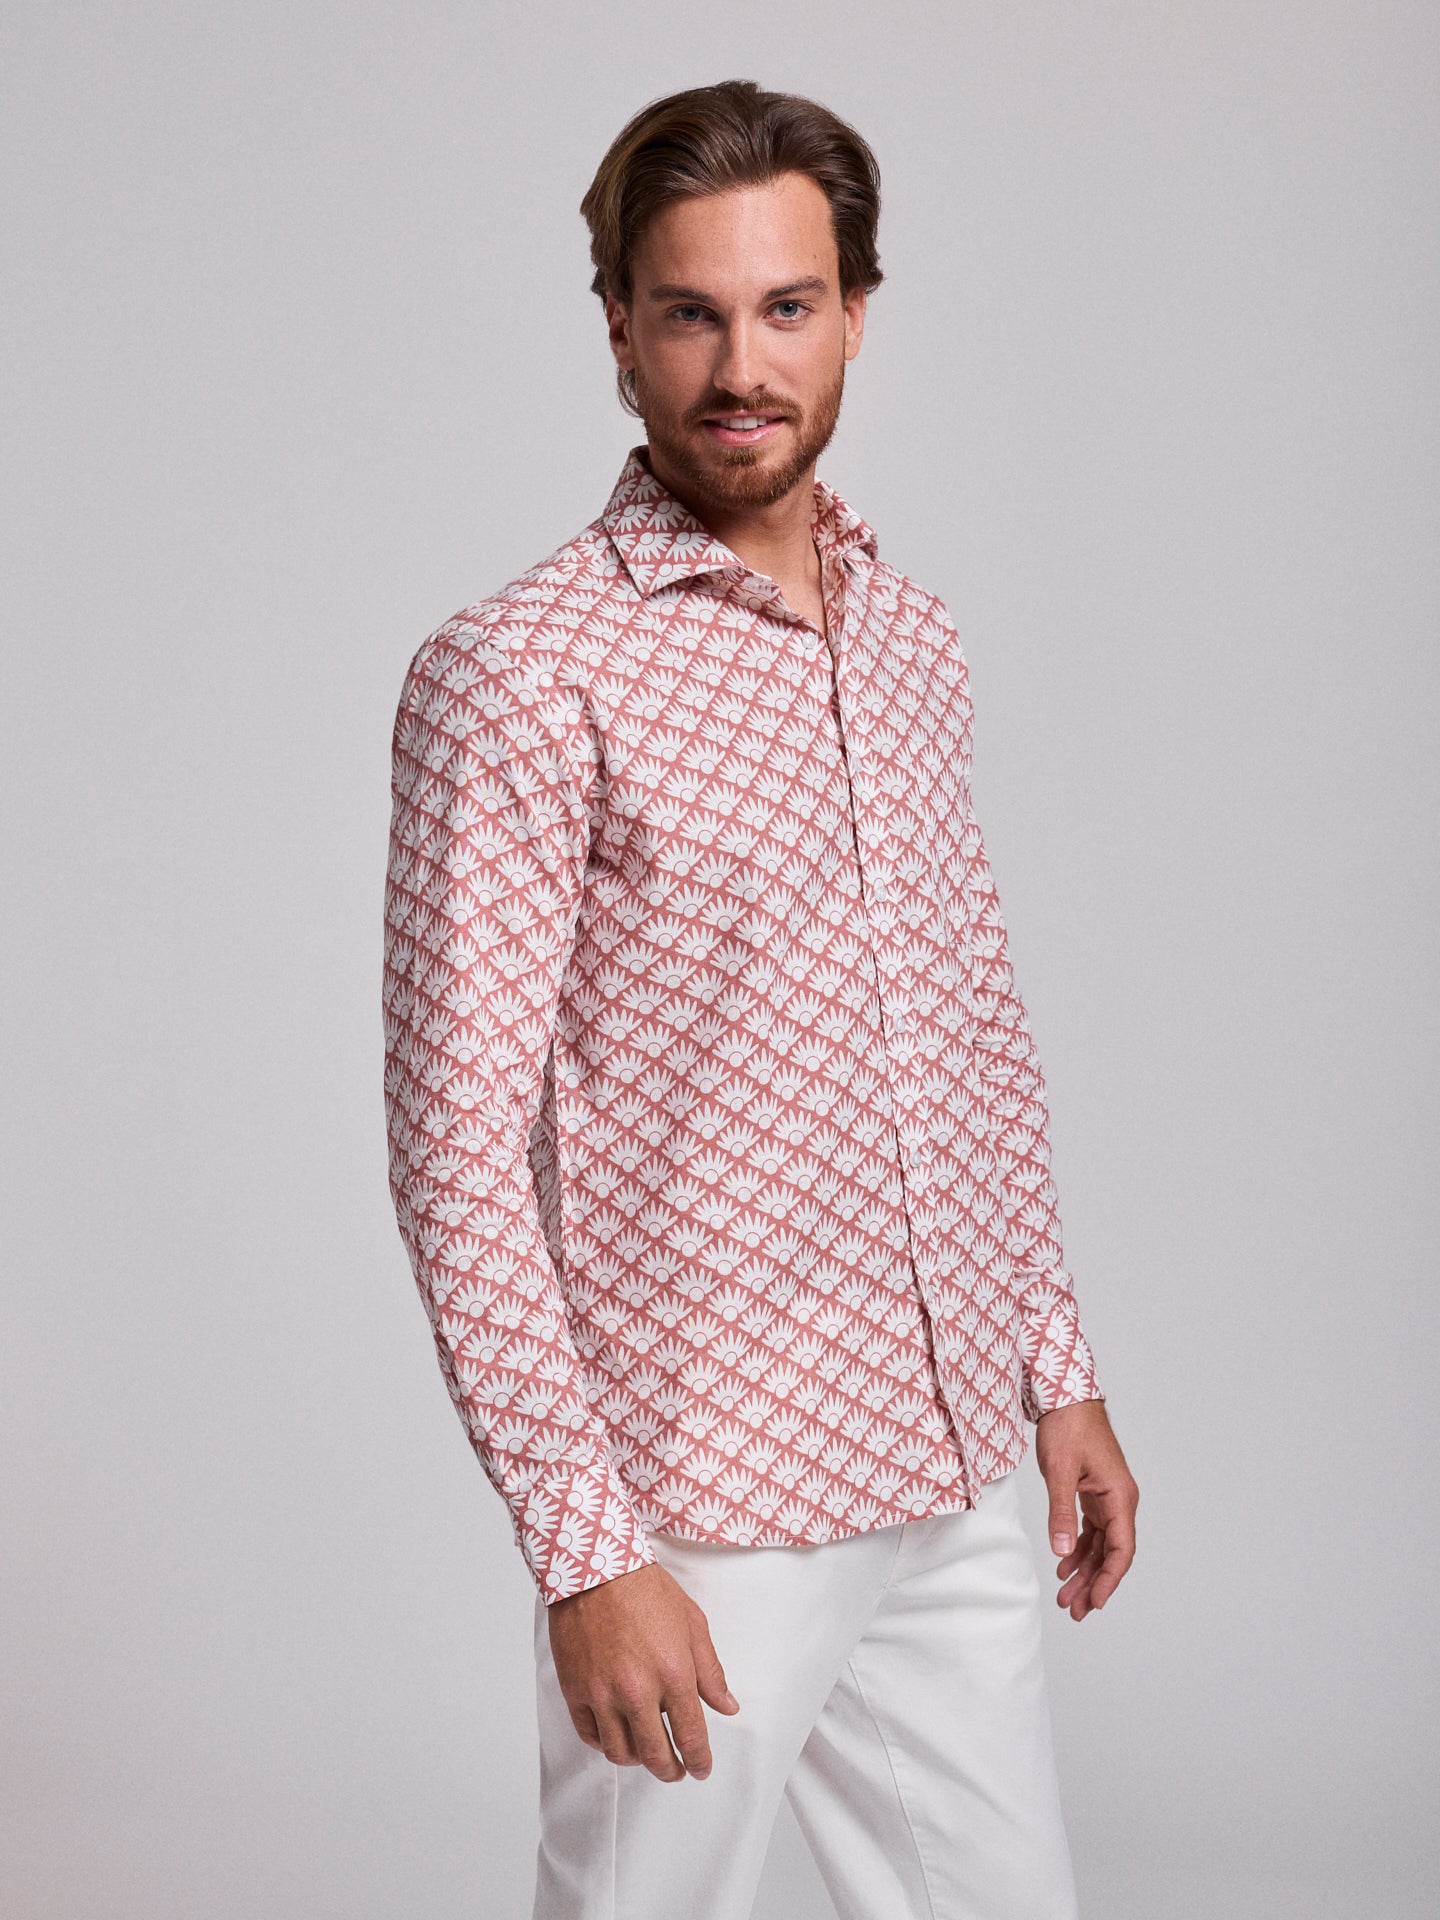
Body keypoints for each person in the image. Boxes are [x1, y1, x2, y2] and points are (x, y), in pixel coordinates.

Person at [383, 76, 1139, 1920]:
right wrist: (587, 1551)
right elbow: (456, 1159)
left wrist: (1058, 1374)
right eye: (691, 313)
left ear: (855, 314)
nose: (743, 367)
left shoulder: (911, 636)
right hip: (701, 1505)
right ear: (618, 330)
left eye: (787, 306)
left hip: (949, 1460)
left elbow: (969, 1031)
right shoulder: (520, 672)